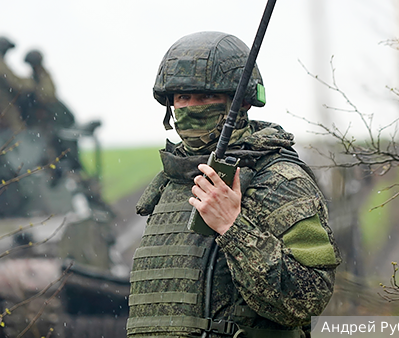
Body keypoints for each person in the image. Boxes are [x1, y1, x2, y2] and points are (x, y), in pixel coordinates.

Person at [128, 31, 340, 338]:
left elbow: (309, 297)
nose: (192, 107)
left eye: (207, 97)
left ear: (239, 103)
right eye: (183, 97)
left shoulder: (278, 179)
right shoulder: (170, 183)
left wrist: (233, 226)